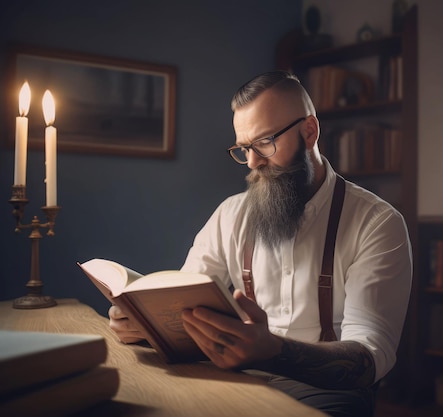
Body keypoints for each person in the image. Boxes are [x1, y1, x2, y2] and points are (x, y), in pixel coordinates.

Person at [109, 70, 412, 417]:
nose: (253, 162)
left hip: (326, 393)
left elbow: (370, 359)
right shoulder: (229, 216)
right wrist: (147, 324)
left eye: (265, 143)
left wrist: (273, 351)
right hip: (234, 380)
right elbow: (183, 302)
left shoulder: (377, 223)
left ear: (309, 132)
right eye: (244, 148)